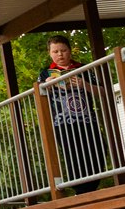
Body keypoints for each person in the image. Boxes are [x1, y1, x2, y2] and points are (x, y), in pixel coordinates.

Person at [40, 35, 107, 193]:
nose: (60, 54)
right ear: (50, 53)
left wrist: (85, 84)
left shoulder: (83, 68)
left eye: (63, 50)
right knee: (73, 156)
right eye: (55, 51)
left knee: (99, 149)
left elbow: (103, 91)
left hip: (87, 120)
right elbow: (39, 94)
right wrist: (47, 85)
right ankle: (81, 191)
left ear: (70, 51)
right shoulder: (45, 73)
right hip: (62, 123)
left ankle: (90, 188)